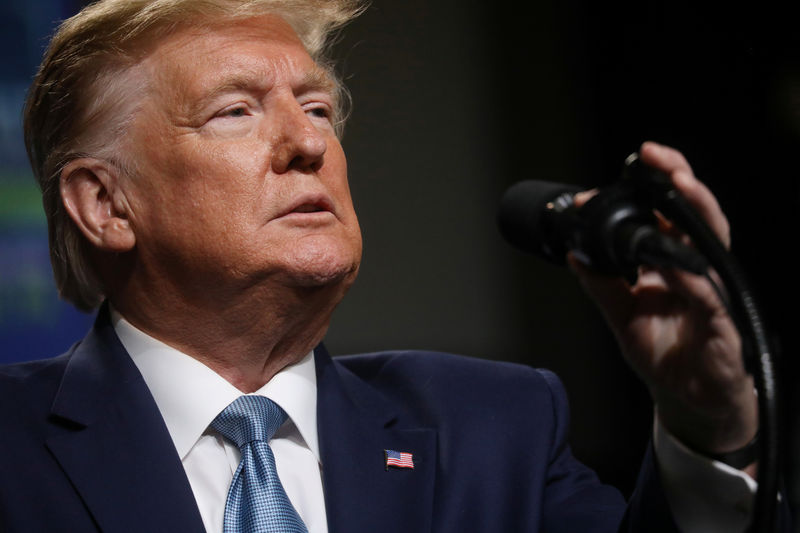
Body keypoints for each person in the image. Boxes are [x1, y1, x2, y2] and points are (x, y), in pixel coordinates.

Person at [0, 0, 788, 532]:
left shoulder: (495, 428)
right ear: (105, 205)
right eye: (236, 110)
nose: (309, 143)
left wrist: (707, 424)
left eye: (315, 108)